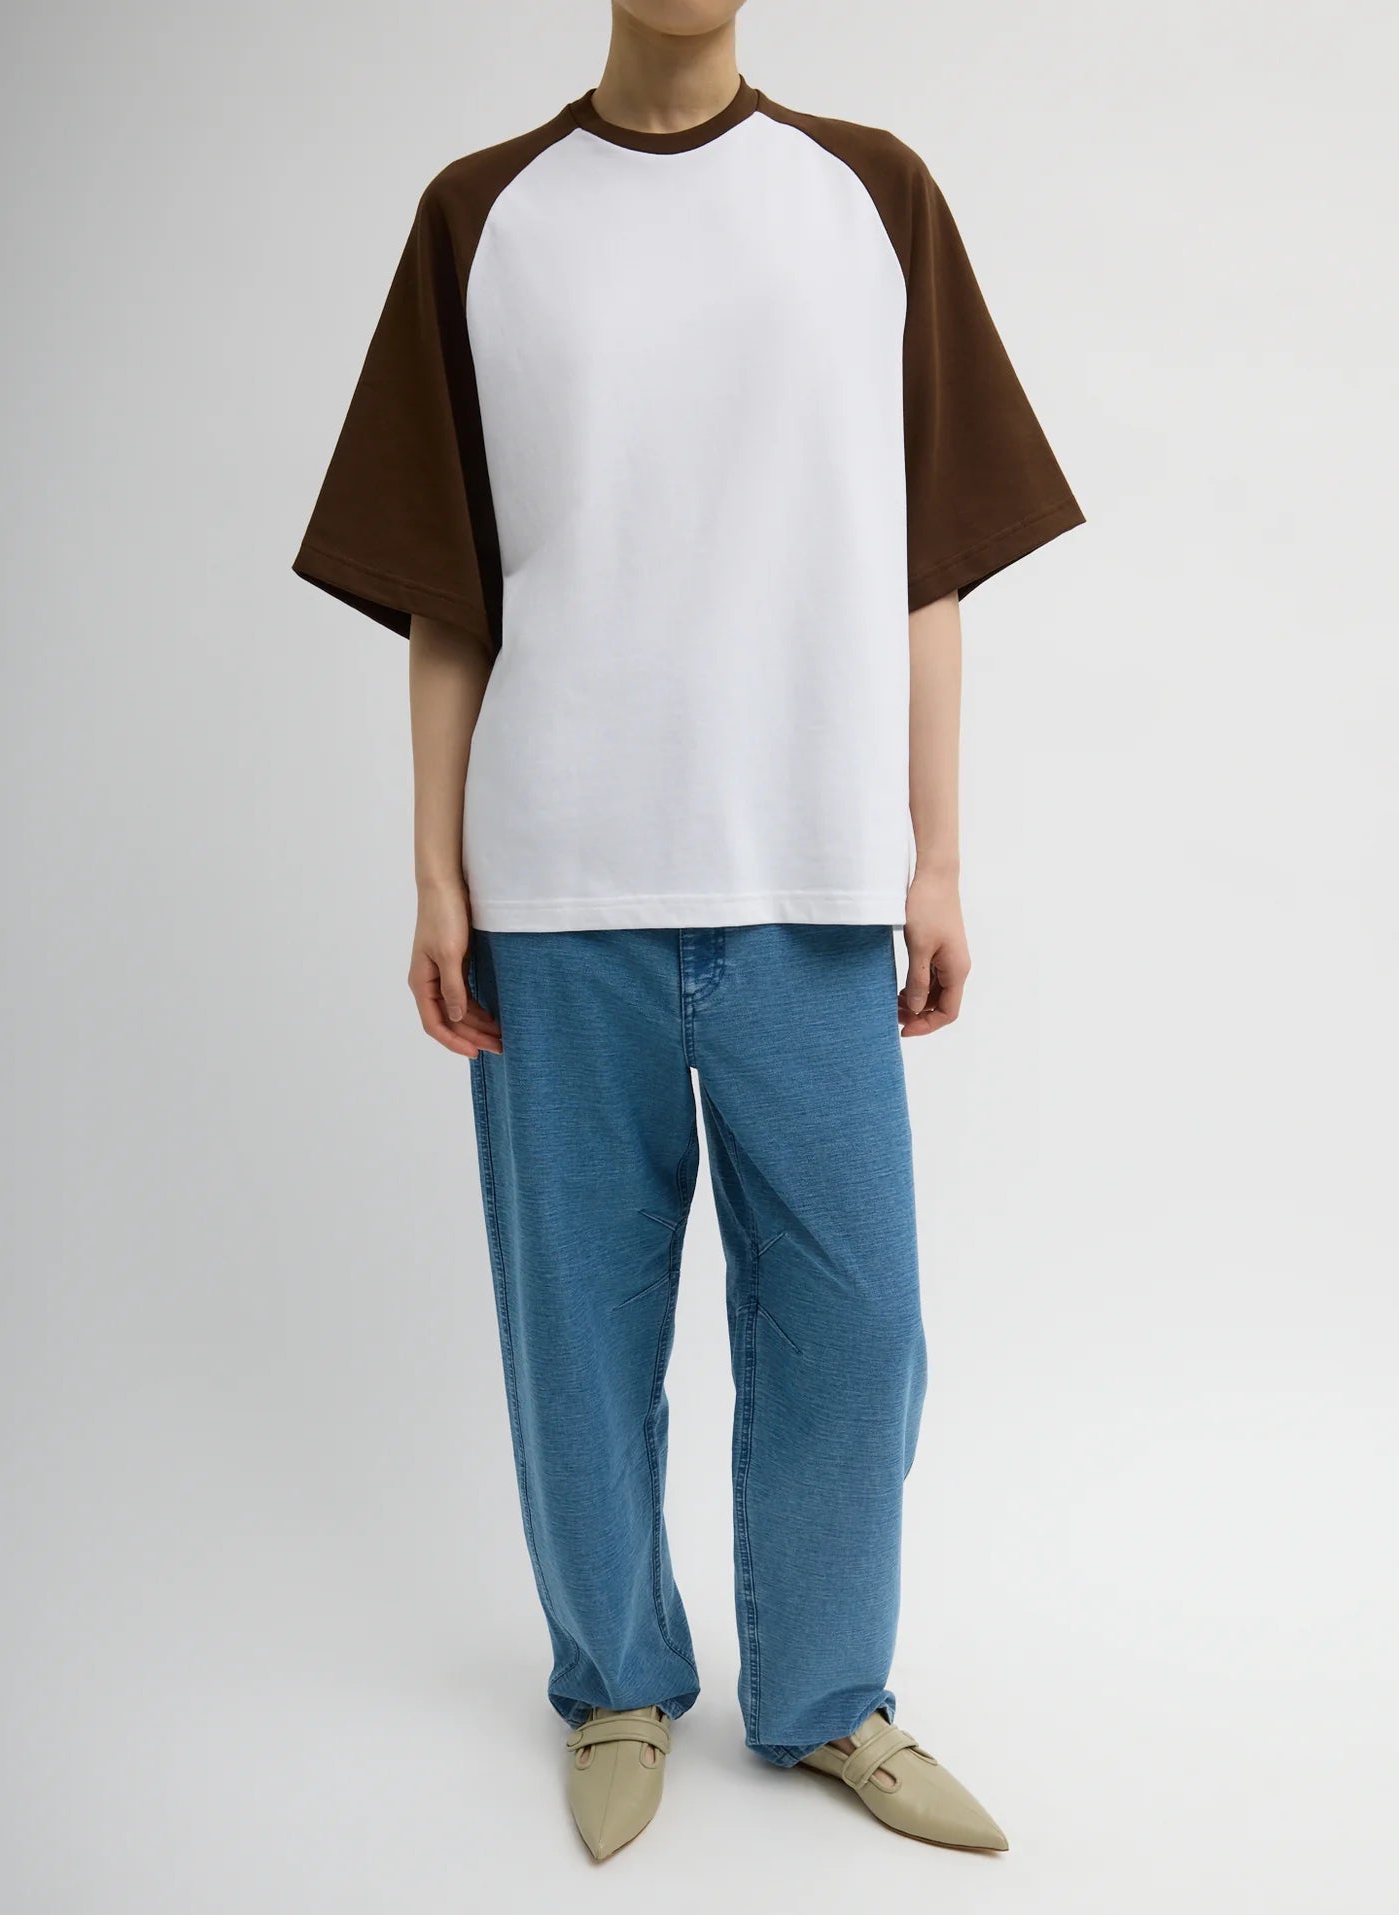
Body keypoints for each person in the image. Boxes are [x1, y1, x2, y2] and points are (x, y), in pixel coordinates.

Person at [291, 0, 1082, 1864]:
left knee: (857, 1329)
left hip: (809, 877)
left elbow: (927, 570)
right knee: (577, 1328)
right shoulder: (482, 215)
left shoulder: (871, 197)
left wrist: (937, 856)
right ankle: (616, 1683)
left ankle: (826, 1697)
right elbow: (449, 593)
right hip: (559, 882)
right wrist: (436, 872)